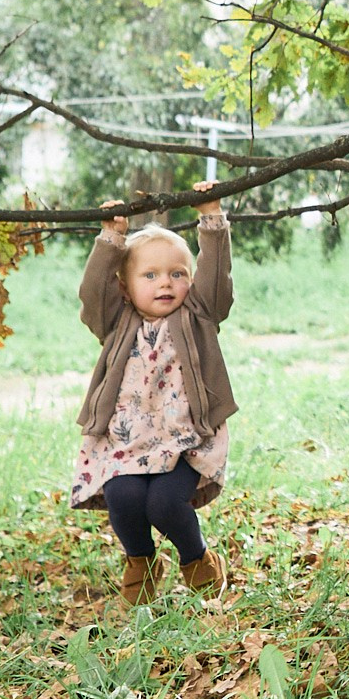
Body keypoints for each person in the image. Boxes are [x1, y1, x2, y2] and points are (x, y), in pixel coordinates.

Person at [71, 182, 238, 605]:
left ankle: (197, 560)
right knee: (123, 497)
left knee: (164, 504)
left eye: (177, 274)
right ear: (125, 287)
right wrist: (111, 239)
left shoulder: (198, 314)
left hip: (185, 441)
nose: (165, 283)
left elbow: (217, 281)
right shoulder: (115, 320)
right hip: (128, 442)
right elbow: (92, 295)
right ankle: (141, 560)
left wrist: (211, 217)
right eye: (150, 275)